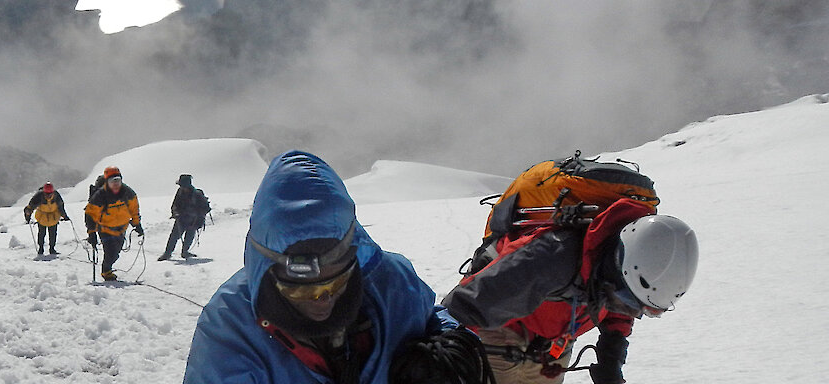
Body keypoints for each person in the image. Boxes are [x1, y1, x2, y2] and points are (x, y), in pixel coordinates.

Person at [184, 151, 489, 383]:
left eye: (335, 283)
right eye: (300, 289)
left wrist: (453, 348)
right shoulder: (230, 324)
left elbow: (432, 317)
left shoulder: (389, 281)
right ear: (268, 269)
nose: (323, 300)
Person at [442, 199, 699, 384]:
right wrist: (443, 358)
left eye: (637, 307)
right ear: (618, 266)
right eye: (626, 301)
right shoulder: (550, 258)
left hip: (552, 342)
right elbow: (463, 306)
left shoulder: (619, 277)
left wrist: (611, 357)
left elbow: (618, 306)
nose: (627, 309)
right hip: (498, 326)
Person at [84, 166, 143, 281]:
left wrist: (137, 224)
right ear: (107, 182)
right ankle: (106, 272)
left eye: (118, 180)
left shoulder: (128, 193)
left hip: (121, 228)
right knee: (110, 252)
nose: (115, 184)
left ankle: (107, 268)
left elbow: (134, 209)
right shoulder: (100, 196)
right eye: (112, 181)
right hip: (105, 229)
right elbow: (90, 215)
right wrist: (92, 233)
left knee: (116, 253)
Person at [159, 174, 210, 261]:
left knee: (189, 236)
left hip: (193, 219)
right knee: (174, 236)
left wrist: (196, 215)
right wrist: (175, 212)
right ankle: (167, 253)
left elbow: (205, 208)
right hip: (181, 218)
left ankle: (185, 252)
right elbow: (175, 204)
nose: (181, 187)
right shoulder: (180, 192)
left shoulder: (197, 194)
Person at [23, 182, 70, 255]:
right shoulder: (43, 196)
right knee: (42, 234)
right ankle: (41, 248)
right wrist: (28, 216)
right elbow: (30, 207)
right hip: (44, 218)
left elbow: (61, 207)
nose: (48, 196)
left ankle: (51, 248)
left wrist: (64, 216)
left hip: (50, 218)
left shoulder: (46, 196)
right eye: (47, 194)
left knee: (52, 234)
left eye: (50, 194)